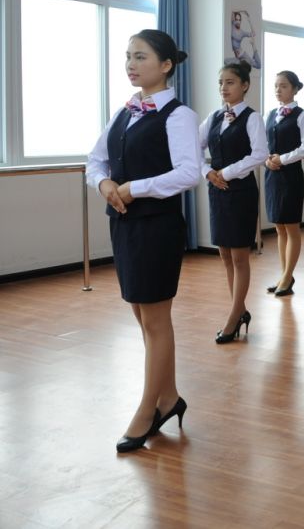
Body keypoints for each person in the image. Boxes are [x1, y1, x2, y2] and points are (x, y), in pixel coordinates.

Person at [86, 29, 201, 452]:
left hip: (156, 226)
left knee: (155, 320)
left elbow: (189, 173)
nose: (131, 64)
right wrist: (104, 184)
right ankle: (168, 398)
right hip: (124, 224)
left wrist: (135, 188)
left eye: (141, 57)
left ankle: (147, 409)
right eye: (128, 56)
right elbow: (95, 160)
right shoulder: (125, 111)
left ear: (166, 65)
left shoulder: (179, 115)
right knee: (142, 316)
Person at [200, 60, 266, 343]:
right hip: (216, 190)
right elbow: (193, 147)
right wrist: (207, 172)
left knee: (239, 257)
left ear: (245, 85)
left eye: (230, 82)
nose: (223, 88)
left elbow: (259, 154)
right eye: (220, 83)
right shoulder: (213, 117)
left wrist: (224, 173)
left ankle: (233, 317)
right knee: (224, 255)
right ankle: (239, 311)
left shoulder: (253, 118)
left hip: (240, 191)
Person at [264, 70, 304, 297]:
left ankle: (287, 276)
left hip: (291, 176)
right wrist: (267, 160)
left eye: (283, 86)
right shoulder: (270, 114)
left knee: (291, 226)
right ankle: (285, 275)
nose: (278, 89)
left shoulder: (302, 116)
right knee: (279, 227)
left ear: (294, 89)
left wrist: (282, 159)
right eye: (276, 85)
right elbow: (263, 144)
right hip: (272, 176)